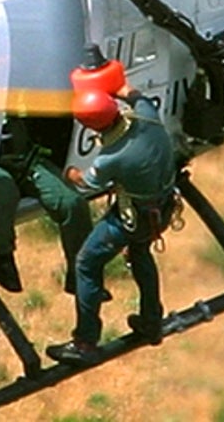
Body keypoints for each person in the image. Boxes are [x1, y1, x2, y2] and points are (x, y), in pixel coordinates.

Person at [45, 83, 178, 365]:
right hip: (163, 208)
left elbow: (86, 185)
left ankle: (85, 342)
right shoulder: (147, 115)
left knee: (86, 263)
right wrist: (106, 85)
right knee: (140, 252)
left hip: (133, 219)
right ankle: (152, 322)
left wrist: (68, 172)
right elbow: (133, 93)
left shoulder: (111, 157)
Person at [0, 115, 92, 294]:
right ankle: (4, 256)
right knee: (5, 194)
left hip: (25, 159)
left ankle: (80, 273)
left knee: (72, 203)